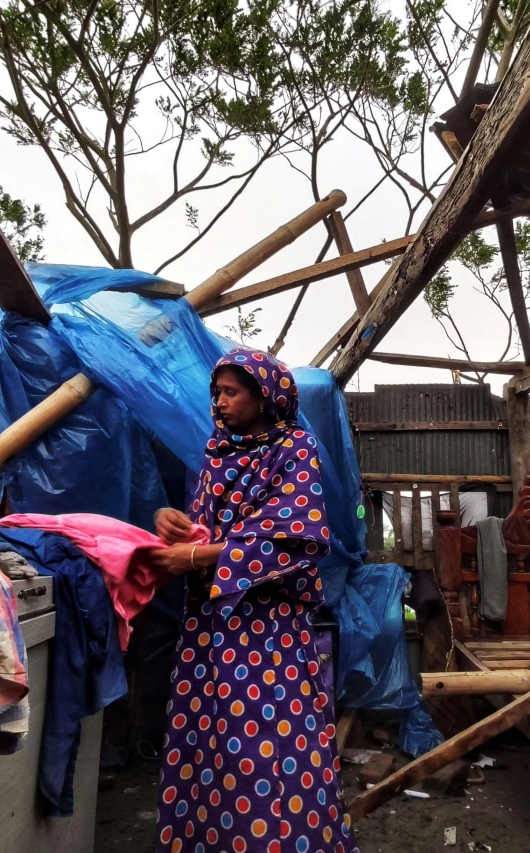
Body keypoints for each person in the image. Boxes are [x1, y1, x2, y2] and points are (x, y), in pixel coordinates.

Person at [150, 347, 359, 853]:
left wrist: (197, 557)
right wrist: (170, 522)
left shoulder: (295, 448)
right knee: (209, 742)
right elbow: (203, 529)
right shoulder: (215, 453)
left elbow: (296, 538)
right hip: (209, 627)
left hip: (269, 632)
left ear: (264, 397)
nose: (218, 403)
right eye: (215, 393)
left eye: (230, 392)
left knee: (269, 747)